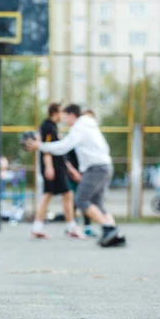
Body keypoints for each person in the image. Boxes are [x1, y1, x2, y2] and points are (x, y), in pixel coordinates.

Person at [25, 104, 126, 248]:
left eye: (66, 117)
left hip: (95, 168)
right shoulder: (90, 126)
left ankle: (109, 229)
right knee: (97, 204)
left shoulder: (79, 127)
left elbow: (63, 147)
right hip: (105, 165)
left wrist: (39, 146)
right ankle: (116, 234)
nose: (65, 120)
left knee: (81, 199)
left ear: (72, 115)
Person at [31, 103, 83, 239]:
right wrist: (49, 167)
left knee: (55, 195)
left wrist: (70, 169)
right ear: (54, 112)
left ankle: (38, 227)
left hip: (59, 168)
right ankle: (70, 226)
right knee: (64, 194)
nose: (63, 116)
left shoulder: (53, 127)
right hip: (54, 169)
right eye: (61, 112)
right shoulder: (47, 126)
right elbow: (47, 148)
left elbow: (60, 150)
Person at [65, 109, 97, 238]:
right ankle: (72, 226)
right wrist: (73, 171)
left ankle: (87, 226)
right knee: (75, 200)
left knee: (86, 200)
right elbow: (66, 156)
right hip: (74, 173)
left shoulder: (93, 136)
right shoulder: (76, 134)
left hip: (86, 173)